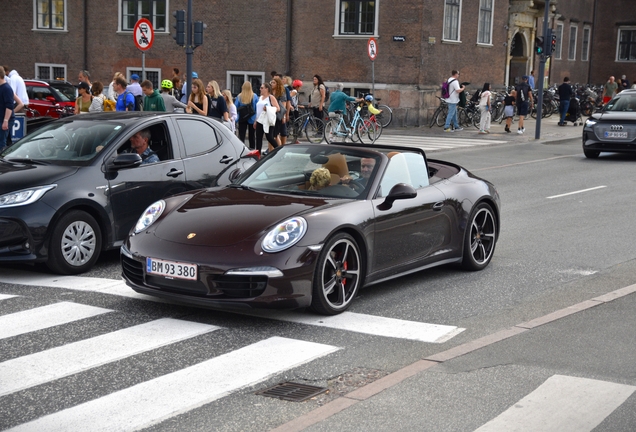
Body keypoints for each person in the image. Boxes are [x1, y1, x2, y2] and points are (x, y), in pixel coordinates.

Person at [1, 67, 24, 150]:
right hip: (5, 117)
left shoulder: (7, 88)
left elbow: (11, 105)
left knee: (2, 142)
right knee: (6, 140)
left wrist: (6, 119)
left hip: (5, 118)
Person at [254, 82, 280, 153]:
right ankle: (258, 155)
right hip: (260, 120)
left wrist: (268, 108)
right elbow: (258, 110)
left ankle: (278, 150)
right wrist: (255, 120)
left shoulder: (271, 97)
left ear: (267, 89)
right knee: (258, 138)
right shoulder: (260, 98)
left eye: (262, 88)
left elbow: (277, 108)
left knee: (269, 137)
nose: (260, 89)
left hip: (267, 120)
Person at [235, 81, 258, 149]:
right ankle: (252, 149)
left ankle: (241, 149)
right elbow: (256, 108)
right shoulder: (254, 96)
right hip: (252, 118)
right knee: (252, 136)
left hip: (242, 117)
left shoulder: (239, 96)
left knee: (241, 135)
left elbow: (236, 106)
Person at [270, 77, 288, 146]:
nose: (272, 84)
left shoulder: (281, 93)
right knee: (271, 135)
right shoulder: (270, 92)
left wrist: (283, 117)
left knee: (276, 134)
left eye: (274, 83)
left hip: (278, 115)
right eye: (271, 82)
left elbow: (283, 106)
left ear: (277, 84)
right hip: (271, 114)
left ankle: (280, 148)